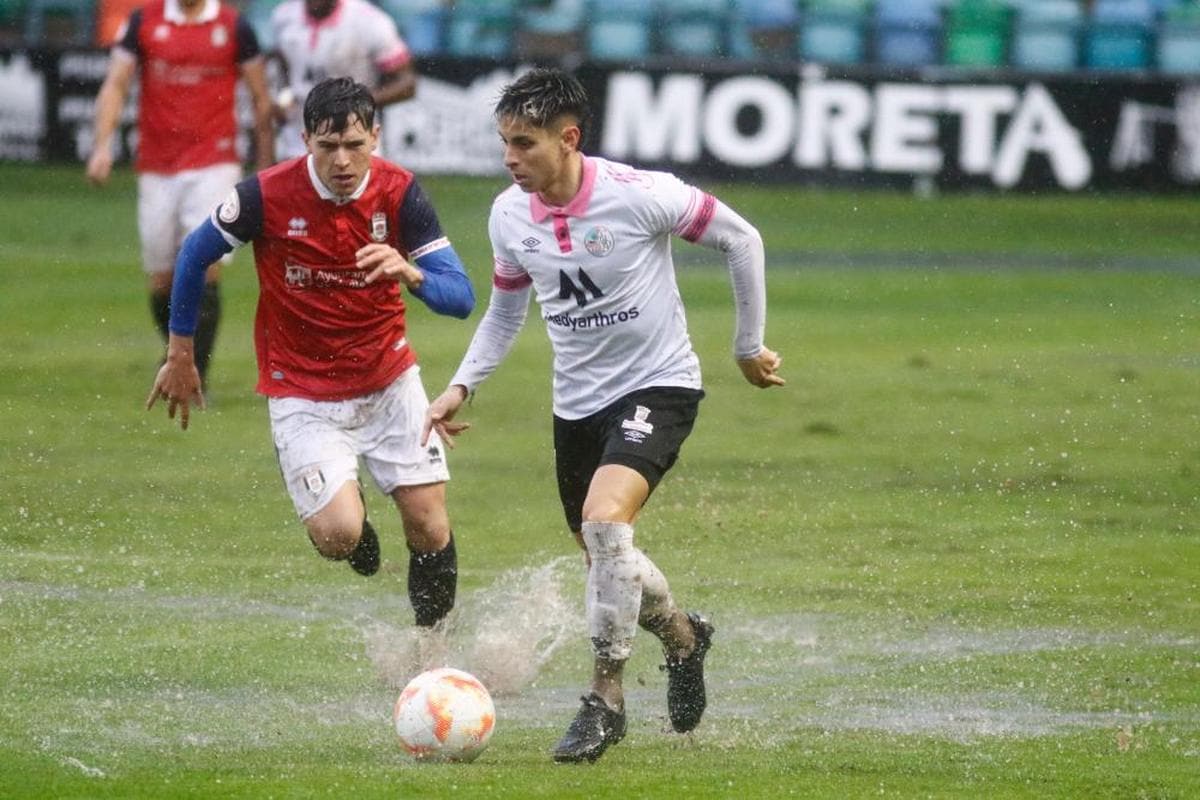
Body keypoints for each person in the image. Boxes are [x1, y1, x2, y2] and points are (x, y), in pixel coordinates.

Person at [422, 68, 785, 763]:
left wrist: (746, 348)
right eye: (503, 143)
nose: (509, 159)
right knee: (606, 558)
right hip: (577, 406)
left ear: (569, 138)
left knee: (604, 523)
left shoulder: (642, 194)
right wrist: (460, 387)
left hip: (660, 386)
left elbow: (743, 240)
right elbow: (504, 314)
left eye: (524, 144)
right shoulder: (509, 215)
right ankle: (682, 638)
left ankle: (604, 699)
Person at [147, 78, 475, 635]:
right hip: (301, 391)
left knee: (428, 525)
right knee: (337, 537)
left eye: (354, 144)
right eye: (327, 147)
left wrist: (411, 271)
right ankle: (356, 525)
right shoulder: (264, 196)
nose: (342, 161)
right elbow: (194, 255)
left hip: (390, 381)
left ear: (375, 135)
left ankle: (431, 657)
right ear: (305, 141)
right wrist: (181, 353)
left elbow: (461, 298)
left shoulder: (400, 192)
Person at [87, 0, 276, 385]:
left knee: (204, 265)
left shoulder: (234, 27)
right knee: (161, 282)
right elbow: (117, 83)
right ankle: (180, 352)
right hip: (157, 165)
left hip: (214, 161)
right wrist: (102, 145)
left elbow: (260, 98)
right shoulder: (143, 21)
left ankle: (195, 373)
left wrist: (265, 163)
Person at [270, 0, 418, 161]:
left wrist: (354, 104)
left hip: (352, 142)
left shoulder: (371, 21)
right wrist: (283, 97)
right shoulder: (283, 15)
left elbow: (407, 84)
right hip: (297, 141)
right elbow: (283, 64)